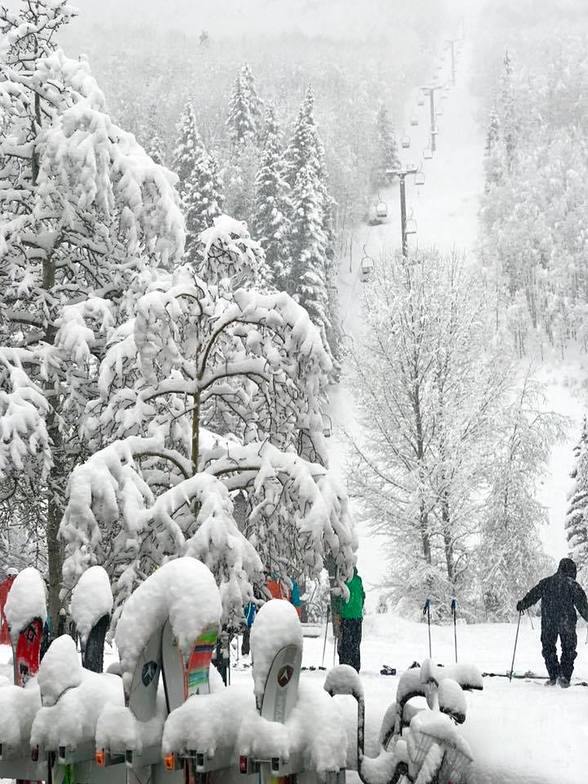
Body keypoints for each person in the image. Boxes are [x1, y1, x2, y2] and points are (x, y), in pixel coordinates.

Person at [516, 557, 588, 687]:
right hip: (566, 622)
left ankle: (554, 675)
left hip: (549, 622)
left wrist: (523, 604)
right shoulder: (573, 585)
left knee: (548, 648)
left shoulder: (546, 583)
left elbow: (533, 595)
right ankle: (564, 677)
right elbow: (583, 607)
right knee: (568, 649)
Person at [334, 566, 365, 673]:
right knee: (355, 643)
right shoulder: (358, 580)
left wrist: (337, 612)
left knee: (344, 644)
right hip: (357, 617)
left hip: (346, 617)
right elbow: (363, 596)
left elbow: (338, 598)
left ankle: (344, 666)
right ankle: (355, 667)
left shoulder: (343, 581)